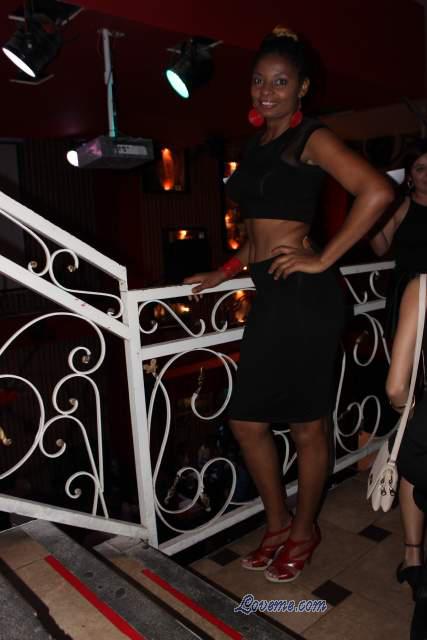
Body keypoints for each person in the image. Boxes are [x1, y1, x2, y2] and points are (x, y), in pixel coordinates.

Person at [185, 26, 393, 583]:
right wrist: (225, 270)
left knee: (307, 425)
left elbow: (377, 191)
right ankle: (276, 523)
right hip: (272, 294)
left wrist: (324, 260)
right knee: (246, 419)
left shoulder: (312, 137)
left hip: (306, 298)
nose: (266, 91)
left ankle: (304, 530)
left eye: (280, 82)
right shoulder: (255, 145)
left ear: (302, 87)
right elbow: (257, 233)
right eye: (259, 80)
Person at [370, 141, 427, 596]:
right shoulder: (403, 206)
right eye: (421, 168)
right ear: (410, 174)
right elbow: (379, 246)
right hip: (414, 304)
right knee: (407, 399)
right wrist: (380, 209)